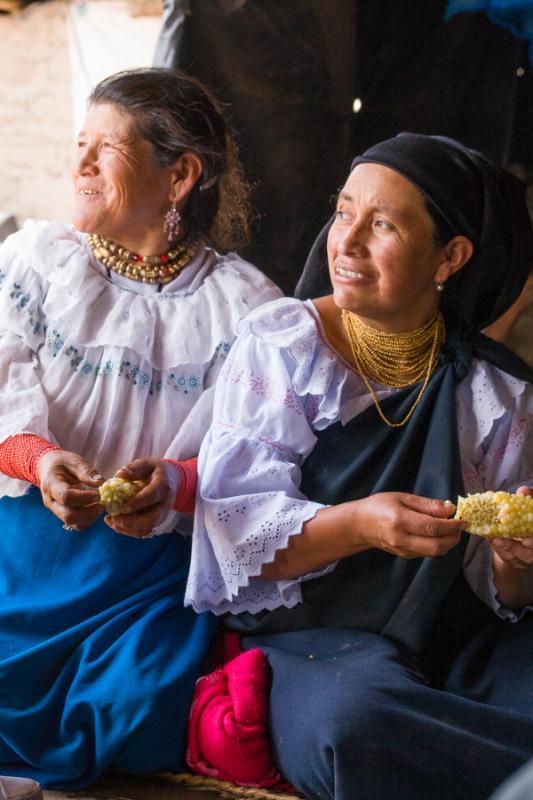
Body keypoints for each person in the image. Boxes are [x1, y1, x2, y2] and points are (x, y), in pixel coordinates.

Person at [185, 133, 533, 800]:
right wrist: (360, 525)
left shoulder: (493, 393)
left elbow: (500, 593)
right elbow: (235, 535)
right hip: (317, 641)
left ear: (450, 257)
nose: (344, 243)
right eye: (343, 213)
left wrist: (514, 564)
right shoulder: (283, 348)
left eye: (382, 224)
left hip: (451, 636)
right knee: (357, 725)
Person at [0, 67, 280, 789]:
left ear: (180, 174)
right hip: (26, 549)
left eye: (104, 149)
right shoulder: (38, 265)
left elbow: (260, 461)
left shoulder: (247, 311)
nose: (80, 167)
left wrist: (176, 484)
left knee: (138, 708)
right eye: (79, 144)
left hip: (140, 575)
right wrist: (40, 459)